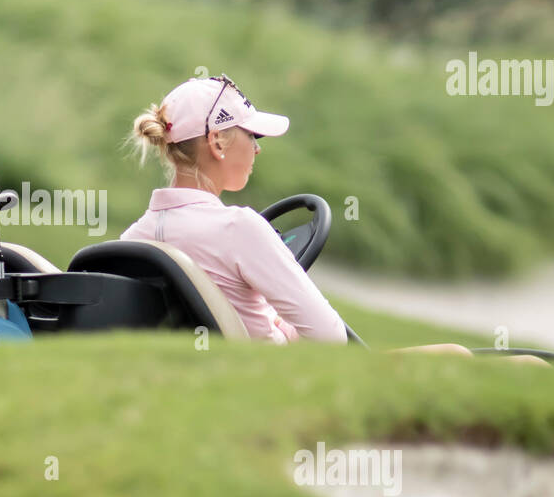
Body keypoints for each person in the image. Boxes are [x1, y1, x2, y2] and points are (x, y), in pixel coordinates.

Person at [123, 75, 481, 357]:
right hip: (276, 384)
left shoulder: (131, 241)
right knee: (457, 354)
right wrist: (283, 328)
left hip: (220, 381)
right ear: (217, 143)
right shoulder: (241, 228)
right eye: (253, 135)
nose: (258, 147)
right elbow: (330, 340)